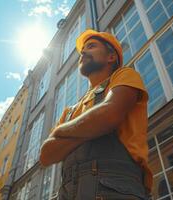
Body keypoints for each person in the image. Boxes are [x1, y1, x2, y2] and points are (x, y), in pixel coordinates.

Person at [39, 29, 152, 199]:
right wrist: (93, 127)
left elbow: (109, 115)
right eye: (82, 50)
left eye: (91, 46)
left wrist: (59, 132)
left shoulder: (124, 76)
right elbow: (46, 154)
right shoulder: (70, 111)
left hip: (115, 187)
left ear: (111, 57)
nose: (83, 52)